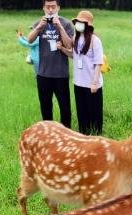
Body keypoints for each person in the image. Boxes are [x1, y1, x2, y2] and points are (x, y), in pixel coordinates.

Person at [27, 0, 74, 128]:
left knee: (65, 108)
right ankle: (49, 133)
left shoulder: (66, 23)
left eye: (53, 7)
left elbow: (69, 45)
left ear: (58, 7)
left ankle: (66, 133)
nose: (50, 10)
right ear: (43, 8)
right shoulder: (39, 23)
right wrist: (38, 27)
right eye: (48, 7)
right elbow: (29, 40)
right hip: (43, 73)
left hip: (61, 74)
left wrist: (60, 27)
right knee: (45, 106)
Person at [69, 10, 104, 135]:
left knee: (94, 112)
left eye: (81, 22)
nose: (78, 24)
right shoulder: (75, 38)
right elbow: (74, 55)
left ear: (88, 25)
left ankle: (96, 136)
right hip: (78, 82)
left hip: (92, 84)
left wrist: (94, 83)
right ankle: (84, 135)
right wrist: (62, 49)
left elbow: (98, 63)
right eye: (77, 22)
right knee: (82, 112)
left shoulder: (95, 40)